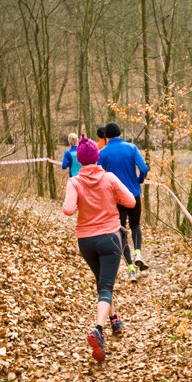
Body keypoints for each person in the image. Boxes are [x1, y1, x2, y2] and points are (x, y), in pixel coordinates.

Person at [62, 135, 136, 362]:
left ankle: (114, 320)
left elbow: (67, 210)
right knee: (105, 286)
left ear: (81, 161)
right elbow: (131, 202)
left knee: (103, 283)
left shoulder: (74, 181)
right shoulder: (109, 178)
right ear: (97, 157)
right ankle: (98, 330)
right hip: (110, 238)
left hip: (86, 241)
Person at [98, 122, 149, 282]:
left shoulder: (103, 152)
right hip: (133, 194)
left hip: (115, 198)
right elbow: (144, 168)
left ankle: (130, 269)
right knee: (135, 225)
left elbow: (99, 174)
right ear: (120, 133)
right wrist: (138, 180)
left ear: (106, 137)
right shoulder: (132, 148)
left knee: (121, 231)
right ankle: (138, 253)